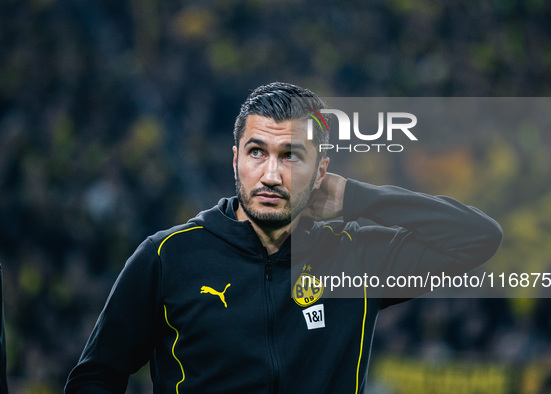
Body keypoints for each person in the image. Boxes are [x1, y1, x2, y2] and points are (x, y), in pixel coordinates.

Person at [65, 82, 503, 393]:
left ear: (321, 171)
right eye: (257, 152)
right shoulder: (167, 257)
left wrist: (357, 197)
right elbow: (95, 377)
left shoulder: (356, 257)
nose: (271, 175)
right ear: (235, 159)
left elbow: (478, 237)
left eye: (291, 156)